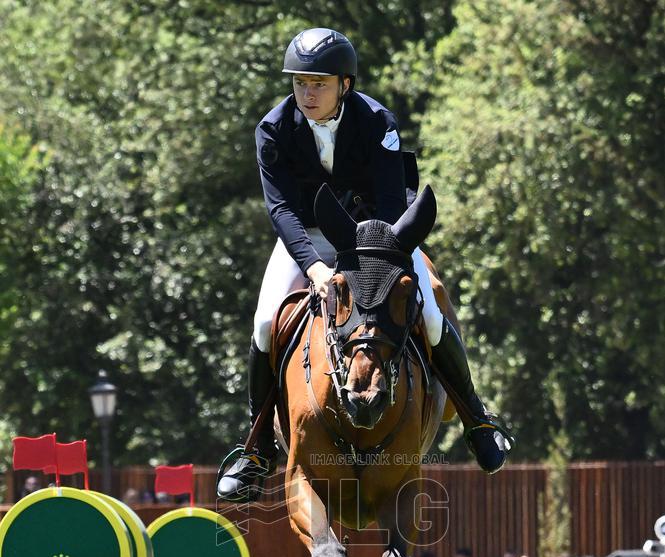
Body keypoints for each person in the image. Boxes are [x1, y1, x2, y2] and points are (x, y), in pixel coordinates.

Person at [218, 27, 510, 502]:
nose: (307, 94)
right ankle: (257, 448)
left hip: (377, 234)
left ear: (345, 84)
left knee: (430, 310)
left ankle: (477, 420)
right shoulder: (272, 130)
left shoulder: (377, 121)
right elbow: (281, 209)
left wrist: (372, 263)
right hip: (308, 237)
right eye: (300, 83)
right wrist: (315, 268)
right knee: (266, 323)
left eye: (319, 84)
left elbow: (392, 200)